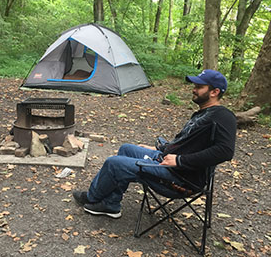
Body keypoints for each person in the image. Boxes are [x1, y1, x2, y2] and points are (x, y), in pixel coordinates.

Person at [73, 69, 236, 218]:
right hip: (166, 162)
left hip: (179, 178)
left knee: (114, 163)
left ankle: (92, 197)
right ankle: (111, 204)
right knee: (126, 149)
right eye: (194, 85)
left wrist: (180, 161)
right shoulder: (202, 114)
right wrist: (160, 148)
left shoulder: (223, 116)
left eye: (199, 87)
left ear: (214, 92)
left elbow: (225, 151)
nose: (194, 89)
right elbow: (185, 143)